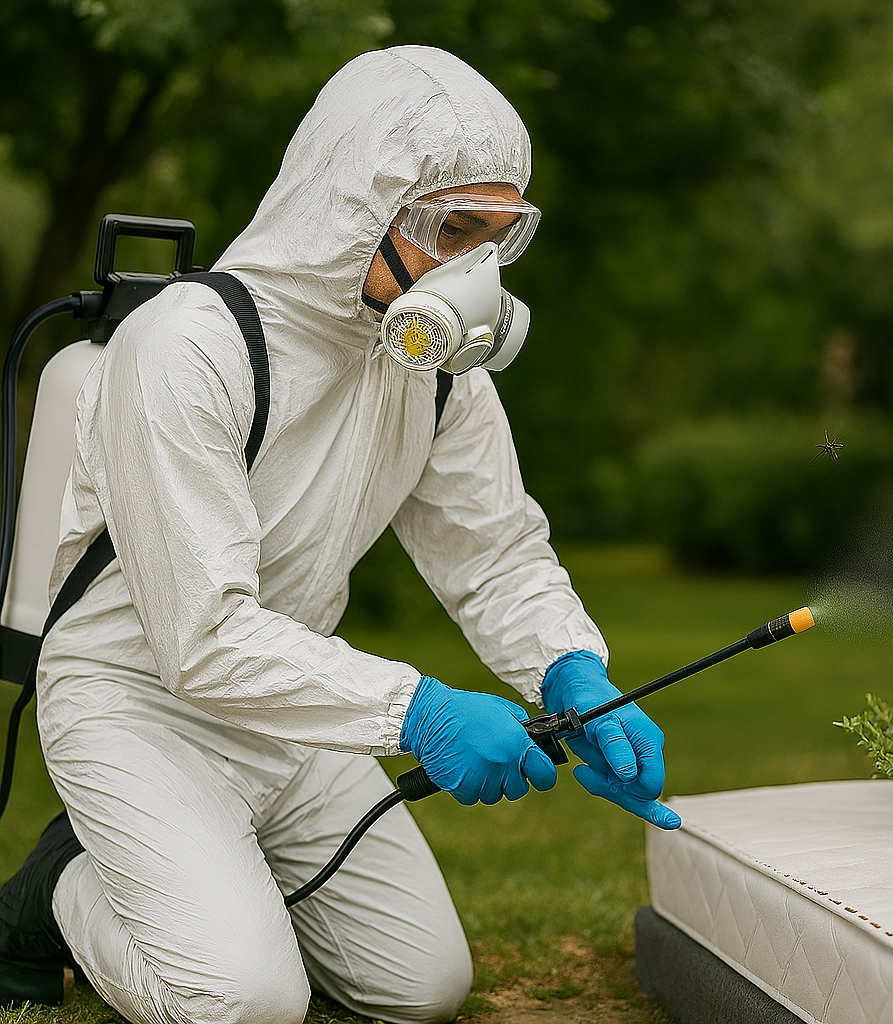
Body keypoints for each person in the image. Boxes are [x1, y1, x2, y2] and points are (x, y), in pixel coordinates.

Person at [0, 45, 680, 1024]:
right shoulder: (187, 345)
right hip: (134, 700)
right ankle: (53, 902)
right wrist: (423, 713)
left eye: (497, 236)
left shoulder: (437, 368)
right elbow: (201, 638)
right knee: (242, 1004)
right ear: (360, 203)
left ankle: (198, 878)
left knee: (419, 986)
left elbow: (493, 552)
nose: (474, 271)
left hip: (293, 708)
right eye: (452, 230)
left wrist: (571, 671)